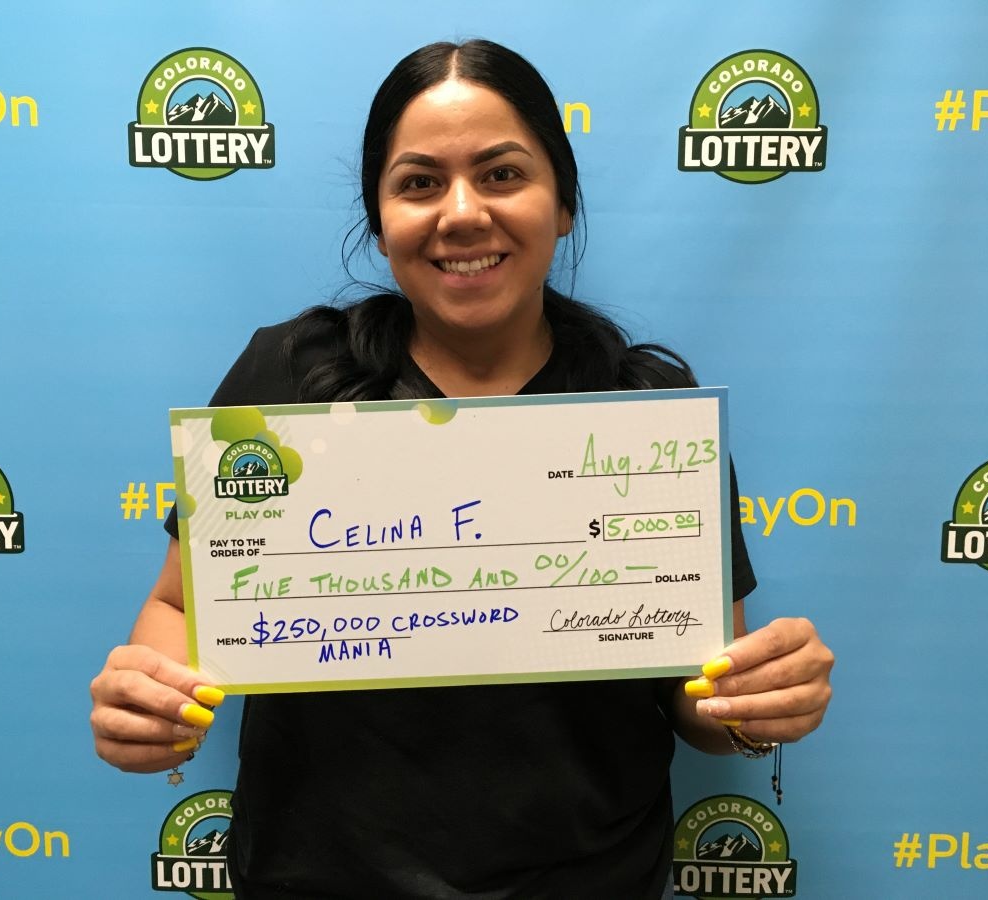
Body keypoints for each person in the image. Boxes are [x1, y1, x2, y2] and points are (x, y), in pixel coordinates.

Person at [90, 39, 834, 899]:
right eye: (418, 183)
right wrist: (152, 696)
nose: (462, 214)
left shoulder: (648, 411)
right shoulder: (290, 379)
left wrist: (754, 704)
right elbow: (183, 605)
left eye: (502, 174)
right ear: (378, 218)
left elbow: (697, 690)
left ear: (562, 203)